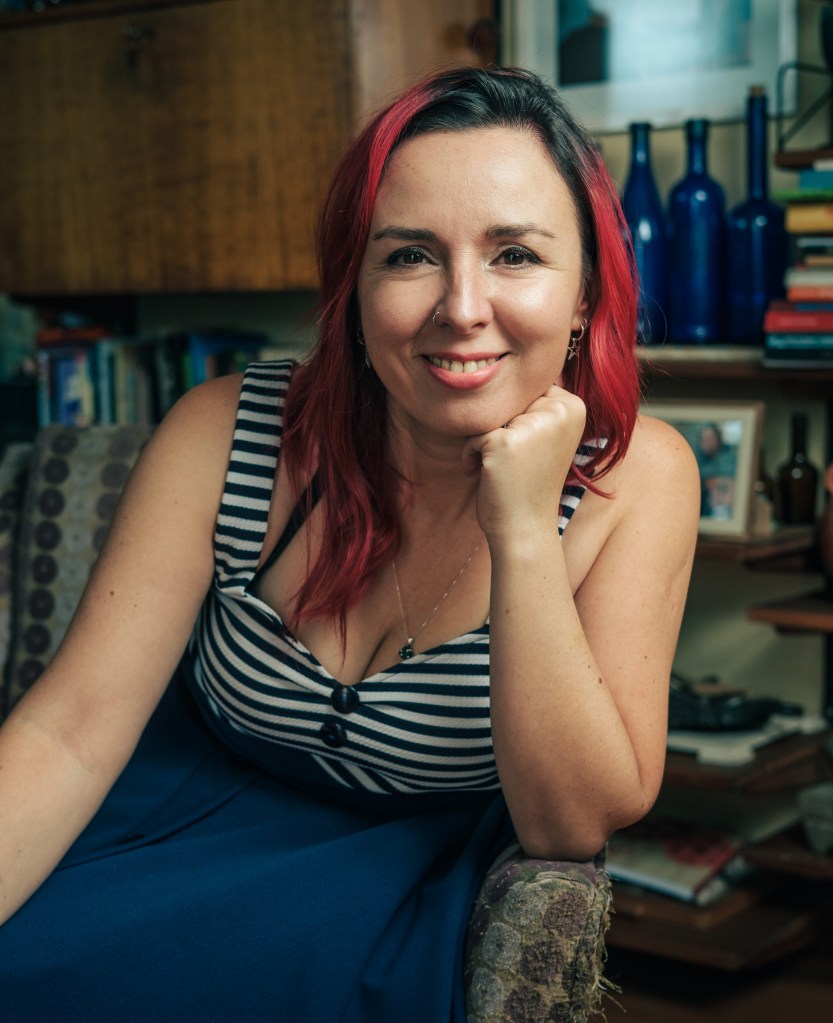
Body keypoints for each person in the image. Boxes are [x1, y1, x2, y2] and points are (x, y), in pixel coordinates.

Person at [0, 66, 699, 1021]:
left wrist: (523, 531)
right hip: (159, 836)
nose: (461, 306)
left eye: (514, 254)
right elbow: (67, 734)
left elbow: (567, 823)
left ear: (583, 293)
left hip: (386, 901)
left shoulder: (638, 475)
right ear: (356, 289)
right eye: (409, 255)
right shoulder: (224, 428)